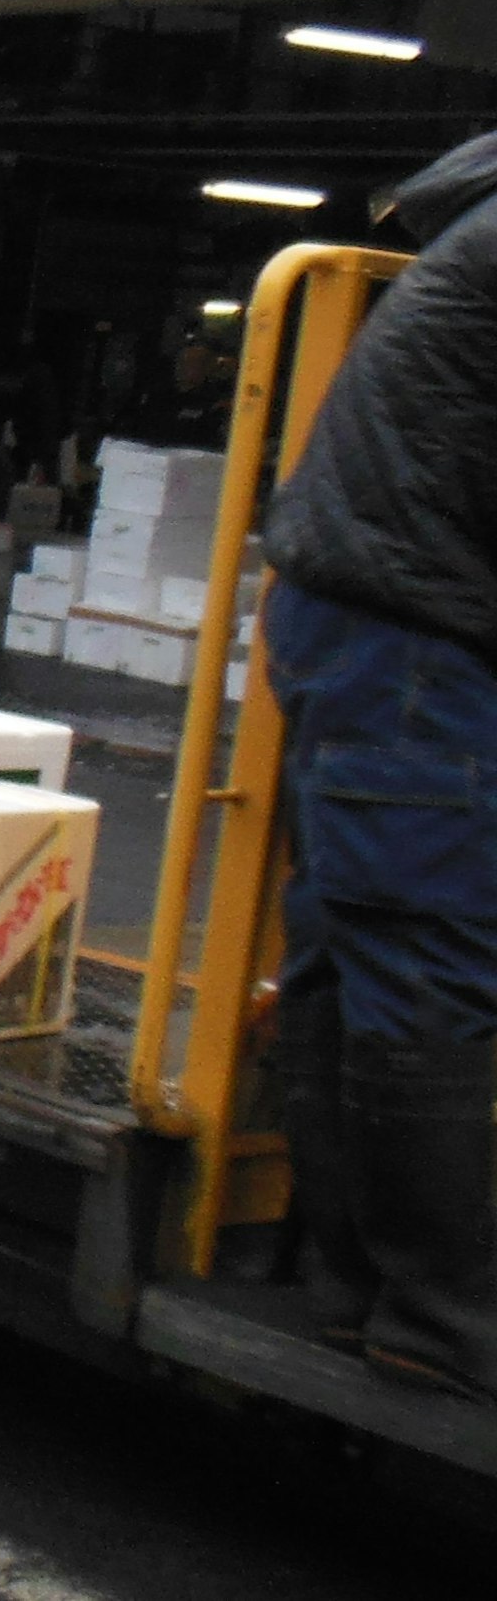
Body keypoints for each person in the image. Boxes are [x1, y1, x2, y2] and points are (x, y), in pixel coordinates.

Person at [259, 132, 497, 1400]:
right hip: (408, 640)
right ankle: (446, 1313)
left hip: (383, 623)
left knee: (356, 954)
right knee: (424, 955)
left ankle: (365, 1286)